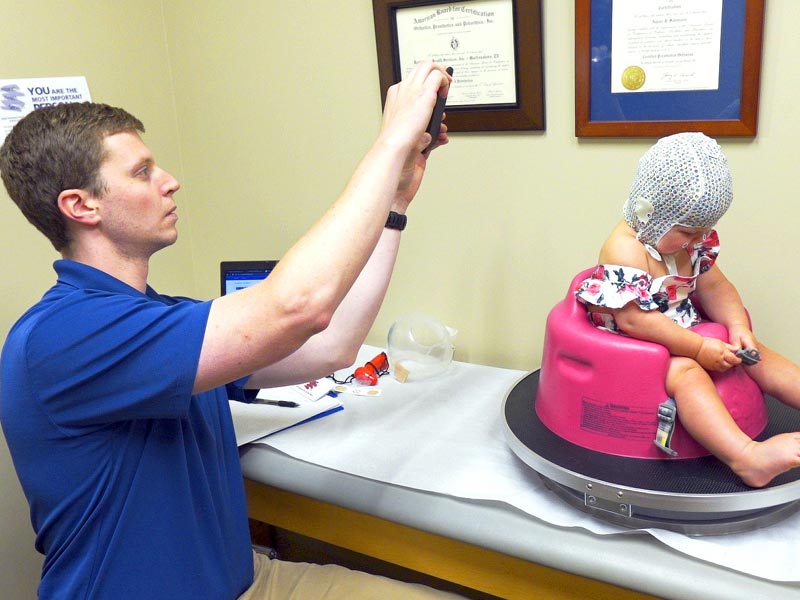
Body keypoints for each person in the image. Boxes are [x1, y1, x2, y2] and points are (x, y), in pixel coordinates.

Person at [0, 62, 464, 599]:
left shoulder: (153, 318)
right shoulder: (63, 336)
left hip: (248, 582)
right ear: (82, 206)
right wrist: (390, 140)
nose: (170, 180)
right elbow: (298, 306)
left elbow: (330, 345)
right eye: (142, 172)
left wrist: (396, 202)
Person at [575, 132, 800, 489]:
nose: (697, 241)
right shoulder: (625, 250)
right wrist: (696, 348)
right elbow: (633, 319)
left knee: (757, 355)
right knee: (687, 375)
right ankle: (746, 458)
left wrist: (739, 327)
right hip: (637, 348)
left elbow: (716, 287)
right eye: (687, 232)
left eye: (704, 232)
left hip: (683, 332)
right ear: (649, 212)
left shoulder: (687, 244)